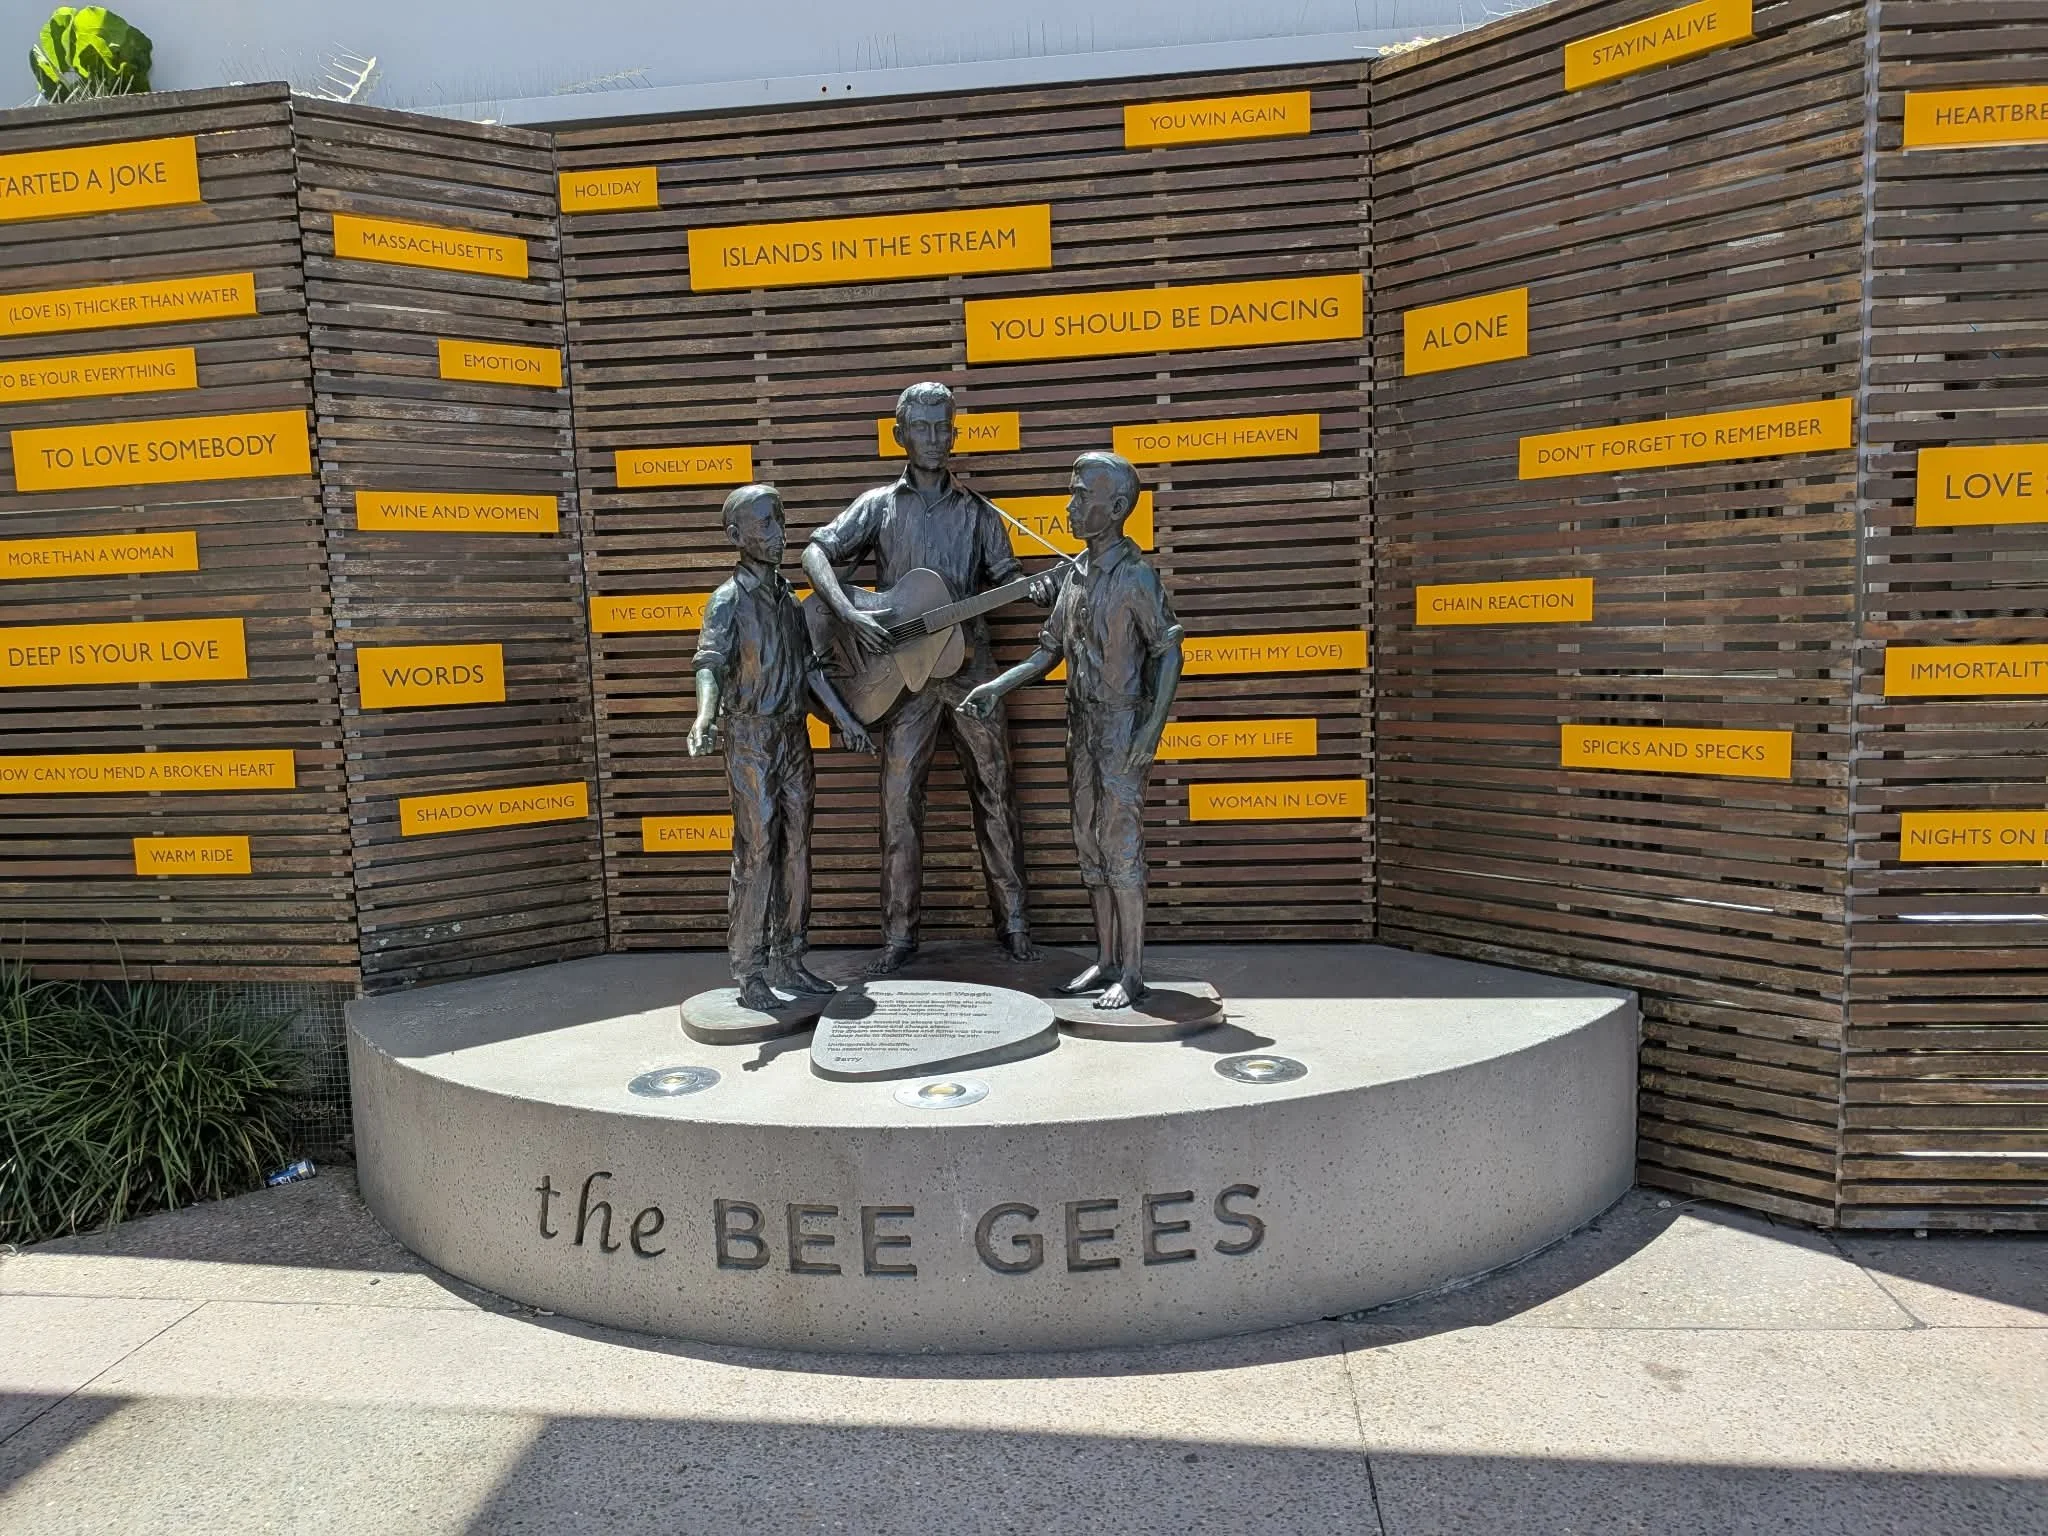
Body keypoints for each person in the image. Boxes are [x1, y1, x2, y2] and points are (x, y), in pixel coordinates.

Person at [802, 381, 1059, 974]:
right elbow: (816, 553)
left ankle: (1015, 927)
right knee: (898, 805)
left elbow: (1008, 578)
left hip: (973, 674)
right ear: (900, 435)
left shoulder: (979, 512)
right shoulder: (878, 506)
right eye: (922, 427)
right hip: (901, 680)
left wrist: (1037, 588)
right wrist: (848, 612)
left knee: (996, 795)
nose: (935, 438)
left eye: (944, 426)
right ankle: (898, 938)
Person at [959, 452, 1184, 1010]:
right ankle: (1106, 960)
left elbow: (1169, 651)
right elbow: (1047, 652)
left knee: (1122, 848)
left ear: (1116, 508)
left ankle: (1131, 972)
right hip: (1080, 728)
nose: (1070, 505)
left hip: (1122, 727)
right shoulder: (1076, 576)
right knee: (1088, 843)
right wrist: (996, 688)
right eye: (1072, 493)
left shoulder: (1135, 577)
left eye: (1082, 495)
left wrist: (1149, 733)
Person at [688, 483, 874, 1010]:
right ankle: (748, 970)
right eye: (765, 524)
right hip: (749, 736)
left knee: (797, 850)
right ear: (735, 535)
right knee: (757, 852)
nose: (778, 533)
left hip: (794, 735)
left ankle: (790, 958)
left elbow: (811, 668)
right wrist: (705, 717)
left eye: (780, 520)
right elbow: (710, 664)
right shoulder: (727, 601)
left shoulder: (790, 599)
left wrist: (844, 720)